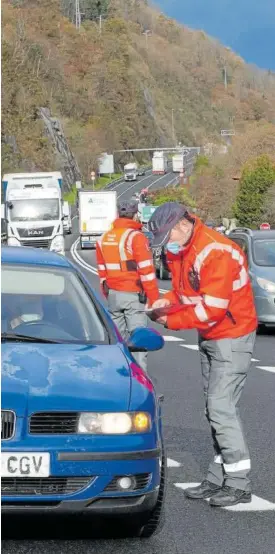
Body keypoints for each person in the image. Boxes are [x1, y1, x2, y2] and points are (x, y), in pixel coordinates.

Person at [148, 202, 258, 507]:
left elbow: (212, 309)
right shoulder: (182, 249)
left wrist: (170, 320)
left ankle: (238, 484)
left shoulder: (215, 251)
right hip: (212, 335)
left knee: (220, 408)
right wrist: (164, 302)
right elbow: (185, 293)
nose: (165, 243)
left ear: (183, 225)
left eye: (167, 235)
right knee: (215, 409)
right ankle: (217, 477)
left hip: (231, 335)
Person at [96, 200, 159, 371]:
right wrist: (153, 299)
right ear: (135, 215)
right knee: (138, 339)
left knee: (118, 341)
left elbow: (102, 271)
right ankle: (138, 379)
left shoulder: (103, 238)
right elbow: (146, 270)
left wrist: (107, 293)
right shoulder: (135, 237)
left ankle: (119, 375)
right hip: (133, 294)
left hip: (113, 295)